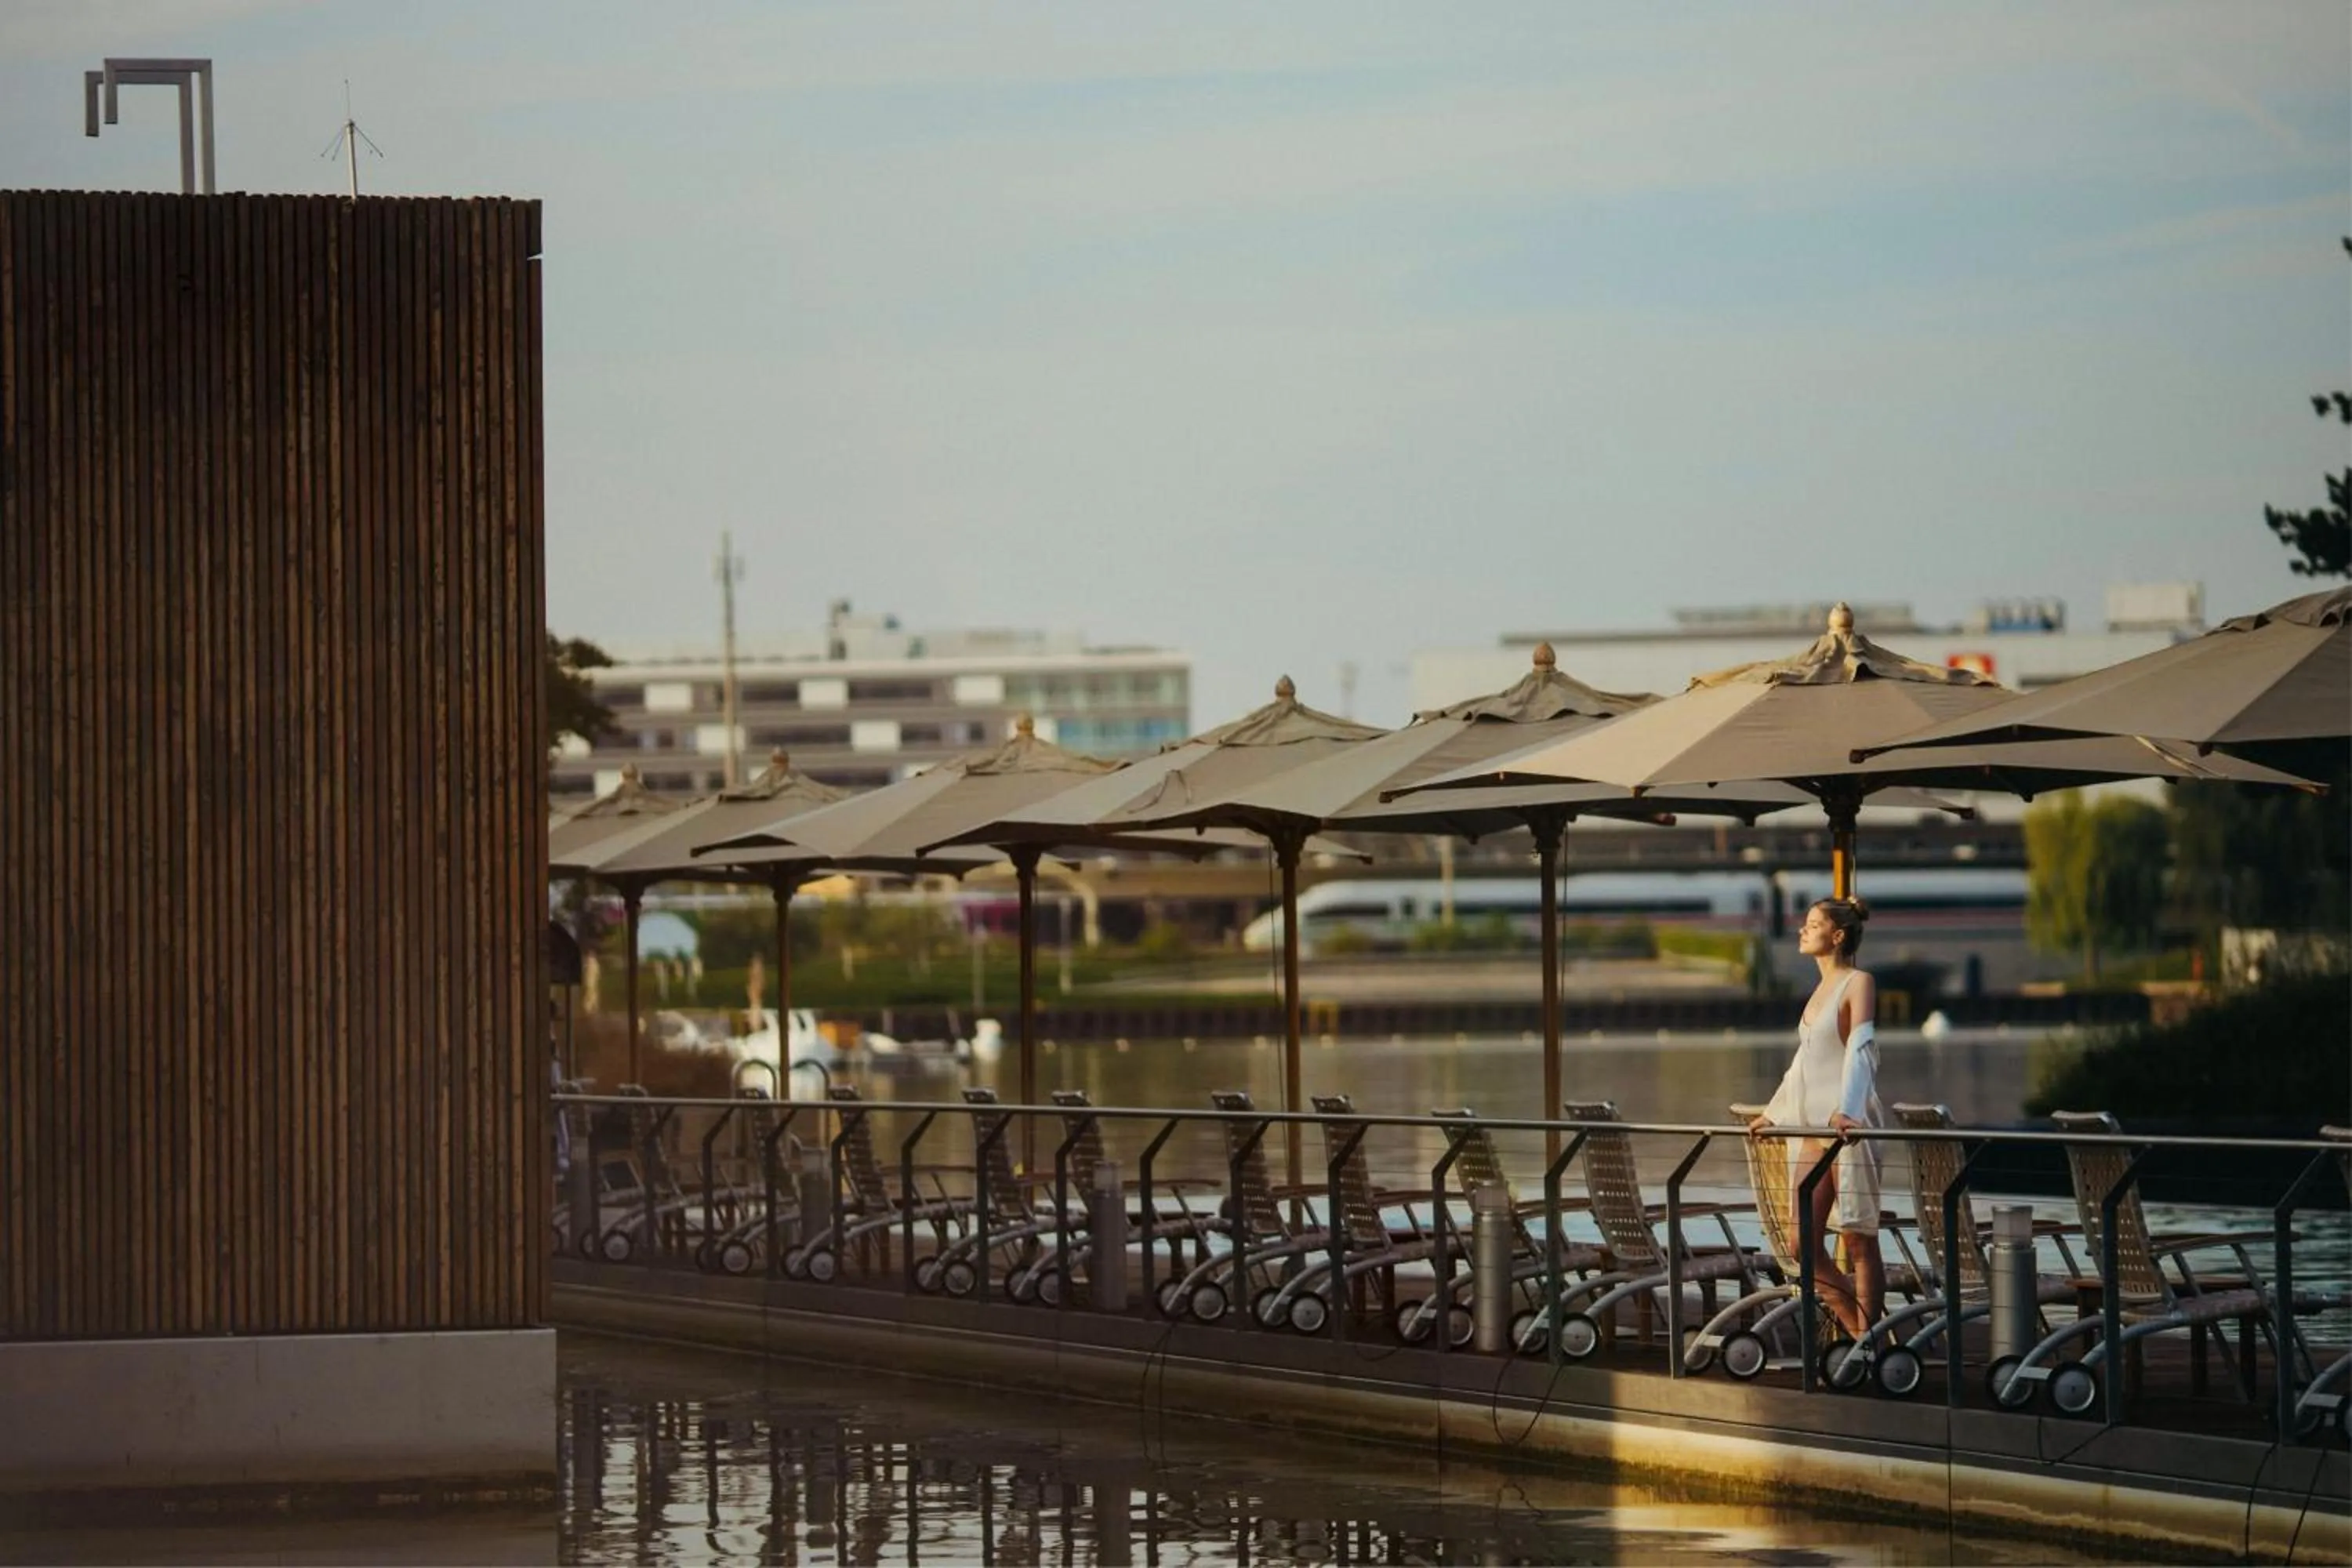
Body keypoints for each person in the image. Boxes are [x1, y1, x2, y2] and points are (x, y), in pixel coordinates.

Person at [1747, 897, 1885, 1338]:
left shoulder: (1858, 982)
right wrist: (1773, 1112)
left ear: (1837, 936)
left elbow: (1860, 1051)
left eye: (1812, 925)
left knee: (1858, 1238)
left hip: (1849, 1125)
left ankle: (1870, 1346)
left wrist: (1848, 1109)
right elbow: (1804, 1063)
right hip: (1810, 1127)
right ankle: (1859, 1335)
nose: (1802, 932)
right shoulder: (1817, 990)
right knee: (1801, 1243)